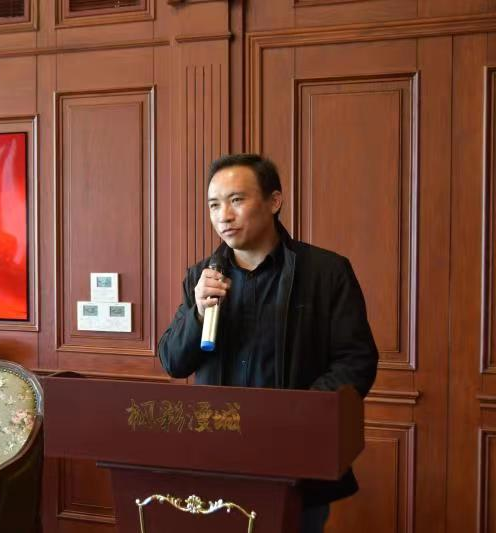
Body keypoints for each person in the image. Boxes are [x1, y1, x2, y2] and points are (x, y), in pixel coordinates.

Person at [158, 153, 378, 533]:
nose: (223, 216)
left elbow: (356, 362)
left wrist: (296, 415)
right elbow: (173, 361)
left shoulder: (326, 272)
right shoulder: (201, 276)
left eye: (236, 200)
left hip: (296, 457)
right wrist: (198, 313)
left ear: (274, 201)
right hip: (219, 461)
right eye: (214, 205)